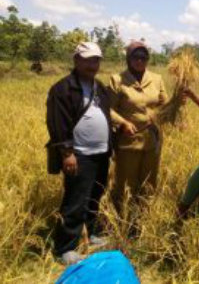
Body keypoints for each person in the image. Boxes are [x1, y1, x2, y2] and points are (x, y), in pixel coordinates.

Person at [46, 42, 112, 265]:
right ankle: (64, 247)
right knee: (75, 200)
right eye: (88, 59)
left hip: (101, 152)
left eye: (96, 60)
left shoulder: (99, 87)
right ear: (76, 60)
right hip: (79, 153)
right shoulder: (63, 89)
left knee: (94, 196)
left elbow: (107, 115)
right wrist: (67, 153)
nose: (93, 64)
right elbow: (57, 124)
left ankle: (89, 234)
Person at [108, 41, 167, 218]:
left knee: (149, 181)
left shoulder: (156, 79)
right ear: (128, 58)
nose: (140, 61)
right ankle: (123, 220)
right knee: (126, 183)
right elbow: (107, 108)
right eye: (136, 57)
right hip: (128, 140)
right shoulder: (117, 80)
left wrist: (179, 100)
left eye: (144, 57)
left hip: (152, 139)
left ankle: (144, 221)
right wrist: (122, 123)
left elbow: (164, 104)